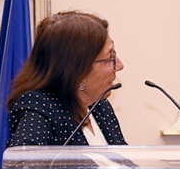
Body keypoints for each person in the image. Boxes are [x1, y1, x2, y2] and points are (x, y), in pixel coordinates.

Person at [8, 10, 127, 147]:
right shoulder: (39, 110)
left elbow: (124, 162)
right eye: (110, 56)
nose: (119, 65)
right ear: (79, 70)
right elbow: (23, 165)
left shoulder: (99, 105)